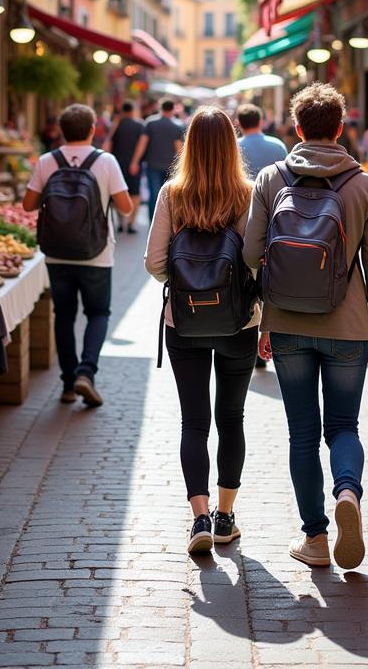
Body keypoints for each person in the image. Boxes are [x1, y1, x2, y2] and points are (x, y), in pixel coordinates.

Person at [243, 83, 368, 571]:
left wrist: (266, 311)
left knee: (302, 433)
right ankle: (347, 491)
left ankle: (315, 539)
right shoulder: (365, 185)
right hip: (349, 327)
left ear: (298, 129)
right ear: (341, 128)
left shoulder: (271, 178)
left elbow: (249, 254)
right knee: (344, 426)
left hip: (286, 324)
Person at [144, 107, 259, 555]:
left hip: (184, 322)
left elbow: (154, 262)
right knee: (232, 419)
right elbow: (254, 259)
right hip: (238, 324)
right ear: (233, 147)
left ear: (188, 146)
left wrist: (184, 277)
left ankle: (200, 519)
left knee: (194, 420)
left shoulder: (173, 194)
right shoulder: (248, 194)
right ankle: (228, 516)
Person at [23, 104, 133, 407]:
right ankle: (87, 371)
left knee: (65, 316)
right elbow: (126, 208)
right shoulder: (106, 161)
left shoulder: (47, 160)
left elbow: (28, 205)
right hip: (96, 253)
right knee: (98, 313)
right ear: (92, 130)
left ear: (61, 130)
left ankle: (69, 383)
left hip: (57, 254)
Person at [130, 98, 184, 217]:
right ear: (173, 109)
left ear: (160, 108)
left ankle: (152, 224)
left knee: (154, 196)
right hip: (171, 167)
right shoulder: (177, 126)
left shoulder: (150, 123)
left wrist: (135, 162)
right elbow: (179, 150)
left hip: (152, 165)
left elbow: (142, 144)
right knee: (170, 197)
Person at [106, 101, 145, 234]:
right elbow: (141, 145)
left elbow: (107, 146)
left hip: (117, 164)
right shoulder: (139, 125)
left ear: (122, 111)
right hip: (133, 165)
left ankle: (121, 221)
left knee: (117, 192)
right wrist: (135, 161)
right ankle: (131, 223)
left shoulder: (115, 126)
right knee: (134, 194)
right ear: (132, 111)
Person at [236, 103, 289, 178]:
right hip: (274, 189)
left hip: (243, 189)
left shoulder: (234, 147)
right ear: (261, 122)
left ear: (239, 124)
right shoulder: (278, 145)